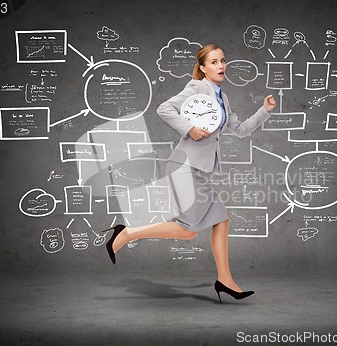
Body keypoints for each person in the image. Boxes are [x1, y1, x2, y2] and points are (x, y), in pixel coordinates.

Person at [103, 44, 277, 303]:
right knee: (188, 230)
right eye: (215, 62)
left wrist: (265, 111)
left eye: (223, 61)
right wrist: (190, 129)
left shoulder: (222, 98)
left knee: (220, 220)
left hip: (198, 169)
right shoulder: (197, 88)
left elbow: (240, 130)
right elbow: (164, 109)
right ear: (203, 68)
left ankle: (225, 280)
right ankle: (127, 233)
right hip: (184, 166)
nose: (221, 66)